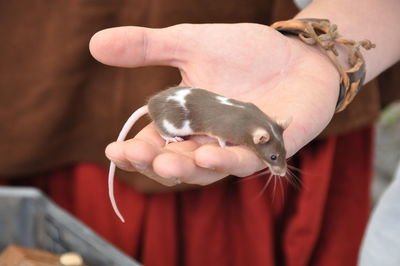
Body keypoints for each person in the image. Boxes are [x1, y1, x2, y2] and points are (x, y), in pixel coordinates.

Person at [1, 0, 399, 265]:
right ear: (262, 138)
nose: (278, 165)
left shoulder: (259, 125)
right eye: (275, 159)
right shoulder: (244, 127)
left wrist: (317, 58)